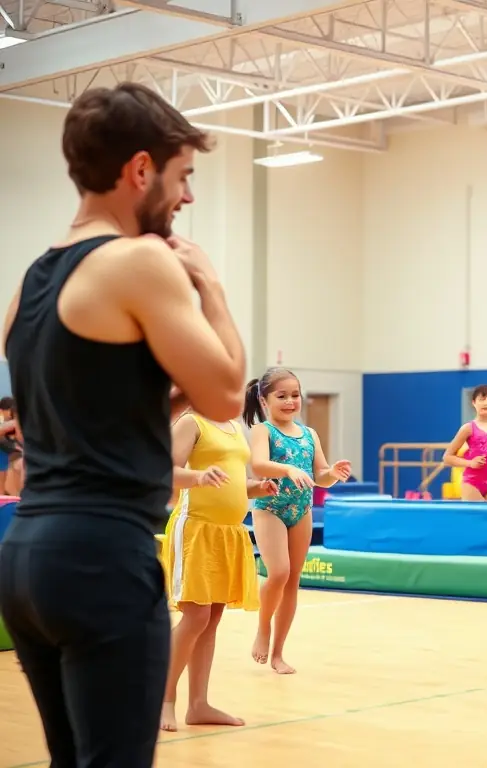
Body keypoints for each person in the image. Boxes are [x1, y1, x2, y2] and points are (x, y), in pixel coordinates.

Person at [0, 82, 247, 766]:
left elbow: (83, 411)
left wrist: (171, 399)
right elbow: (228, 392)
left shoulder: (34, 278)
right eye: (182, 177)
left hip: (28, 558)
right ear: (140, 170)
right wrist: (213, 290)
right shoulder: (139, 262)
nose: (186, 198)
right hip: (101, 557)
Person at [159, 409, 279, 732]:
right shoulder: (190, 422)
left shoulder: (233, 427)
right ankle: (163, 700)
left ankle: (198, 704)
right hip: (196, 528)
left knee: (210, 620)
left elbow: (232, 479)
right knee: (195, 616)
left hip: (228, 531)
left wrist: (257, 488)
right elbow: (164, 471)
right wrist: (197, 477)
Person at [244, 367, 352, 674]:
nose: (290, 401)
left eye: (295, 395)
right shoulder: (263, 430)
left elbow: (320, 476)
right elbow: (260, 464)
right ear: (265, 400)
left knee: (292, 580)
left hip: (300, 511)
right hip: (270, 508)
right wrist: (288, 470)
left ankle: (278, 654)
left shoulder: (309, 434)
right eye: (282, 396)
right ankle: (263, 628)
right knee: (277, 573)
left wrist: (334, 473)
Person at [443, 384, 487, 500]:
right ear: (474, 403)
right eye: (482, 399)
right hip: (472, 483)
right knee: (476, 517)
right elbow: (447, 457)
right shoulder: (468, 428)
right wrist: (470, 463)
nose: (486, 402)